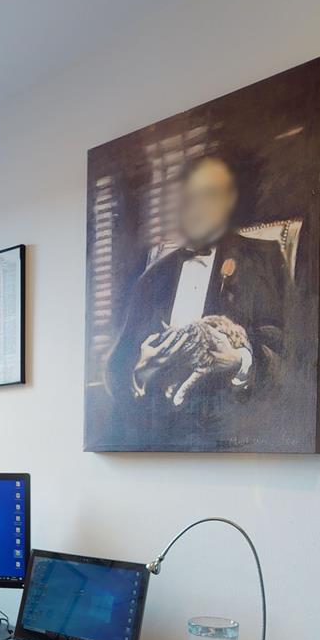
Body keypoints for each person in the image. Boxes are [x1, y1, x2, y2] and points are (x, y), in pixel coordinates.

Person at [103, 154, 298, 447]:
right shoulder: (154, 276)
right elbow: (119, 361)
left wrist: (240, 361)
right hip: (159, 436)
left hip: (234, 434)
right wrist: (140, 372)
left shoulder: (263, 260)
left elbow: (293, 355)